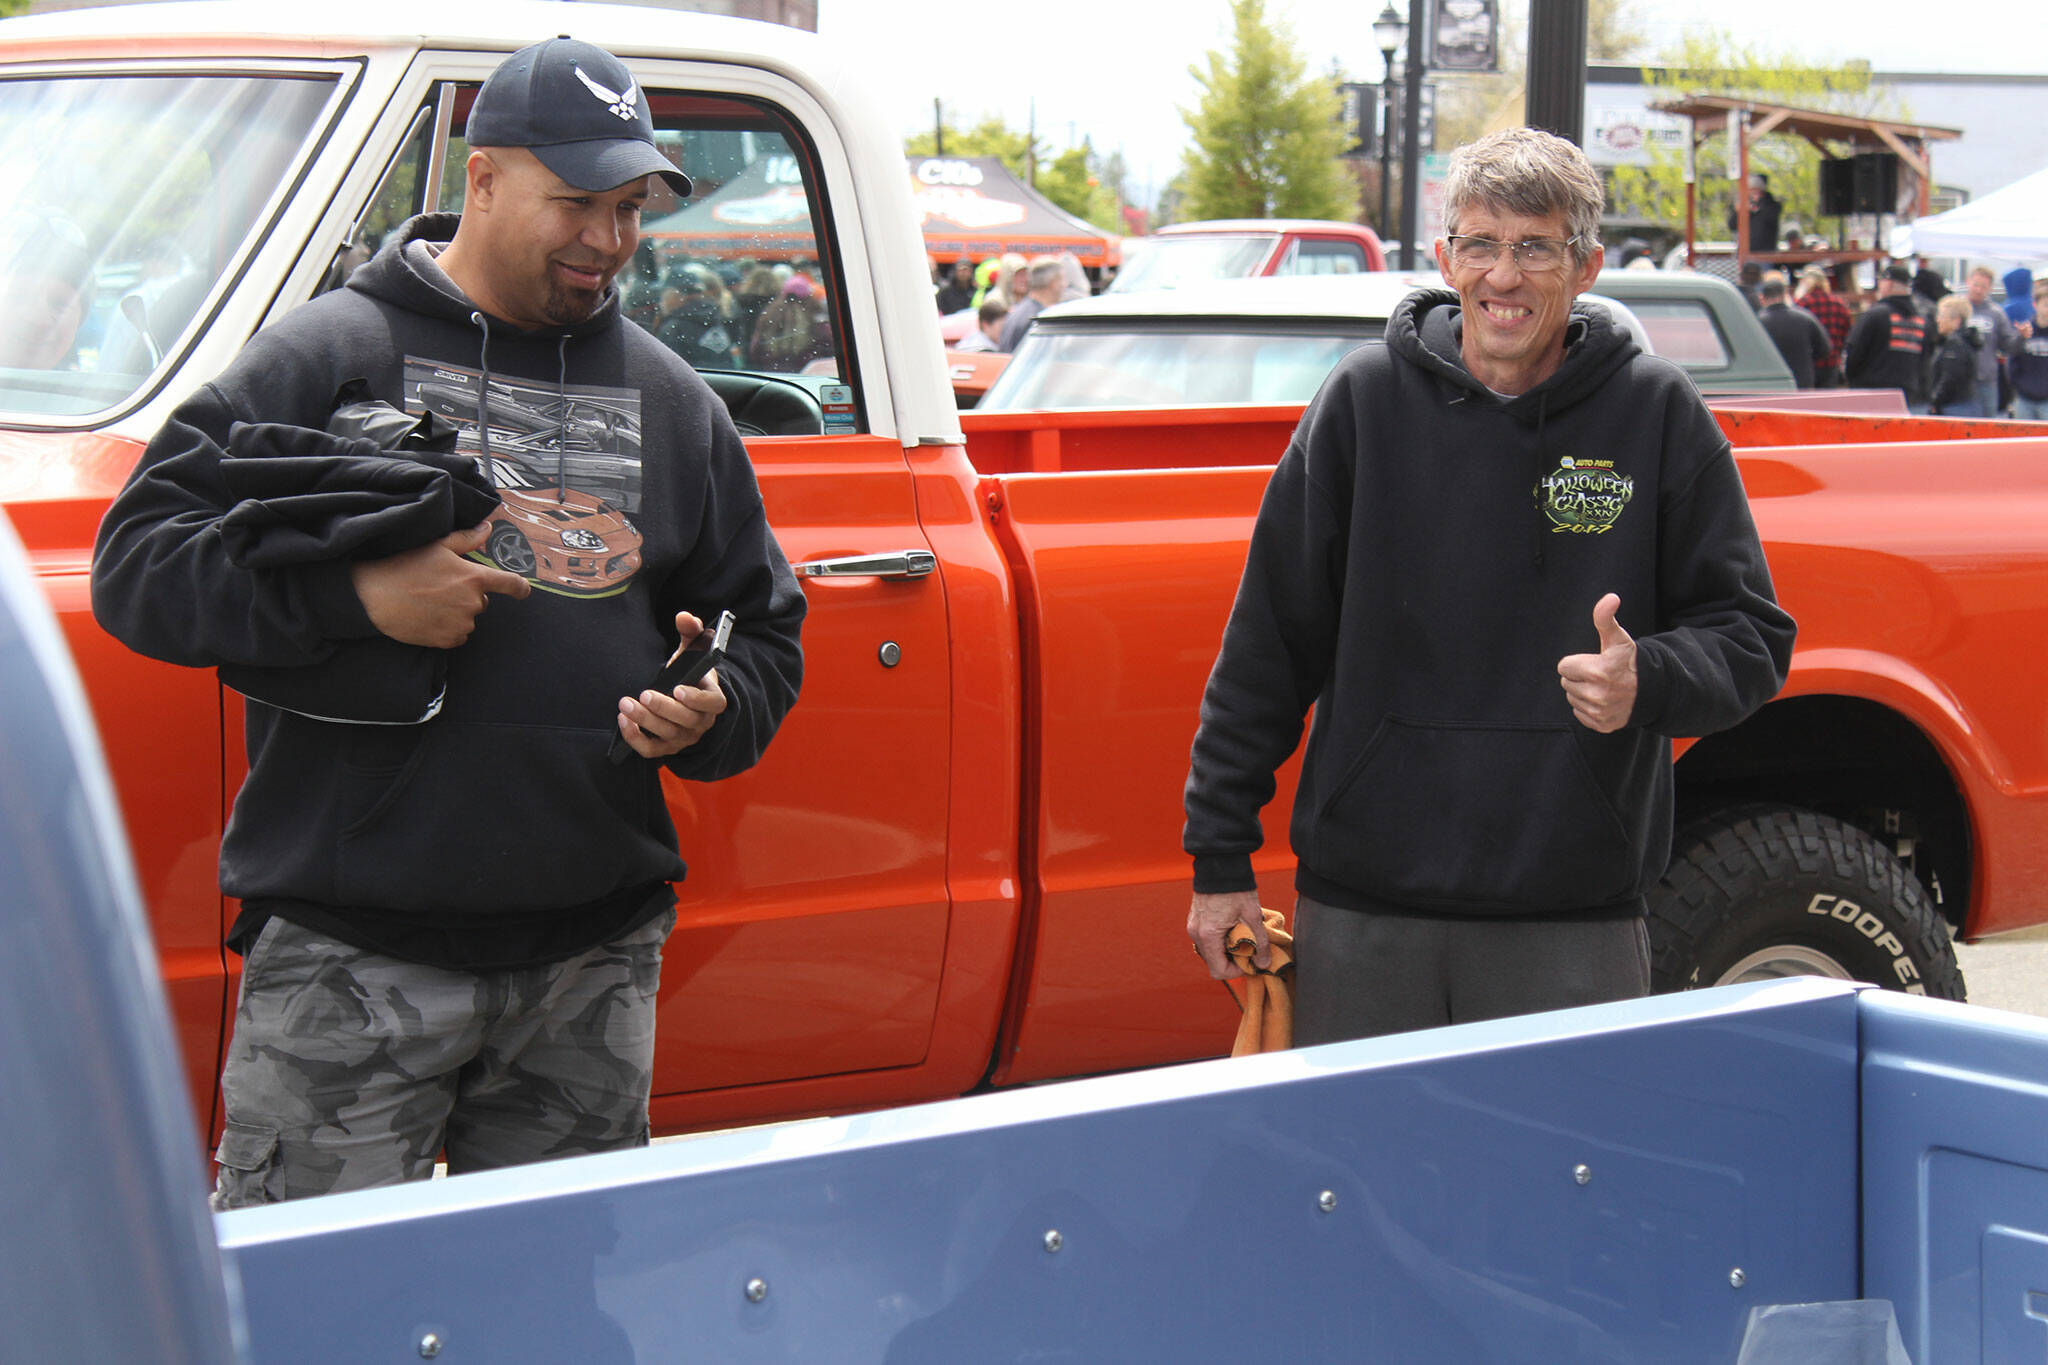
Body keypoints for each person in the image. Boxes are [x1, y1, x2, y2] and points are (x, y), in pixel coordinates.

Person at [89, 36, 807, 1209]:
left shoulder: (675, 402)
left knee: (545, 1309)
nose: (608, 239)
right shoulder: (330, 353)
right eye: (575, 202)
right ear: (481, 178)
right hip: (350, 955)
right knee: (313, 1317)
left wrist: (714, 710)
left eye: (629, 208)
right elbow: (137, 563)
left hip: (592, 959)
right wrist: (355, 601)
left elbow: (761, 629)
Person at [1183, 127, 1795, 1042]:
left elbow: (1753, 637)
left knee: (1557, 1182)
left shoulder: (1656, 412)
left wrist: (1651, 680)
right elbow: (1269, 644)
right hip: (1365, 912)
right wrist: (1219, 856)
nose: (1503, 276)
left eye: (1534, 247)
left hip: (1572, 915)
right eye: (1481, 244)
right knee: (1361, 1178)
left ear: (1585, 266)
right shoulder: (1363, 403)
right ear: (1445, 258)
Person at [0, 208, 94, 370]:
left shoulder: (95, 393)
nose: (38, 319)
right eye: (18, 297)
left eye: (60, 305)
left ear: (79, 319)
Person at [1844, 265, 1930, 412]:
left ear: (1888, 283)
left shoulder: (1875, 315)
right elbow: (1925, 360)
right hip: (1908, 397)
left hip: (1871, 395)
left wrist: (1852, 381)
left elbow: (1854, 352)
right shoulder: (1921, 321)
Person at [1963, 265, 2026, 418]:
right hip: (1960, 380)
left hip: (1987, 381)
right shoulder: (1956, 307)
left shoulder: (1996, 312)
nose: (1978, 290)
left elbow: (2009, 346)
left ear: (1990, 288)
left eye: (1983, 287)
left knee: (1987, 426)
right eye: (1976, 285)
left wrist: (2021, 336)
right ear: (1968, 282)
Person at [1756, 271, 1830, 389]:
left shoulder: (1757, 324)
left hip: (1770, 386)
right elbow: (1824, 350)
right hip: (1802, 383)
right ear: (1785, 294)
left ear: (1761, 298)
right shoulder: (1805, 318)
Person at [1928, 294, 1984, 417]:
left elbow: (1951, 378)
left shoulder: (1955, 344)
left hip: (1954, 408)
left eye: (1942, 316)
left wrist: (1935, 401)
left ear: (1956, 320)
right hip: (1967, 405)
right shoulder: (1966, 341)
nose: (1937, 320)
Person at [1794, 266, 1851, 387]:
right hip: (1832, 363)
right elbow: (1847, 333)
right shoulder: (1839, 304)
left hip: (1809, 364)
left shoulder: (1802, 304)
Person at [995, 258, 1063, 352]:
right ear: (1053, 283)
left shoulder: (1021, 310)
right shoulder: (1037, 318)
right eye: (1062, 280)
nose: (1065, 285)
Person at [2010, 279, 2048, 422]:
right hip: (2024, 399)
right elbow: (2013, 358)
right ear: (2035, 305)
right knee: (2022, 439)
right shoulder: (2025, 330)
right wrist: (2019, 387)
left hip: (2046, 400)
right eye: (2045, 304)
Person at [1728, 173, 1781, 255]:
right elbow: (1732, 226)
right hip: (1745, 254)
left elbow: (1771, 219)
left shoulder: (1772, 205)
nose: (1753, 193)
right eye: (1750, 190)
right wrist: (1737, 213)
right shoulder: (1743, 205)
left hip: (1766, 254)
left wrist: (1758, 204)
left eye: (1755, 190)